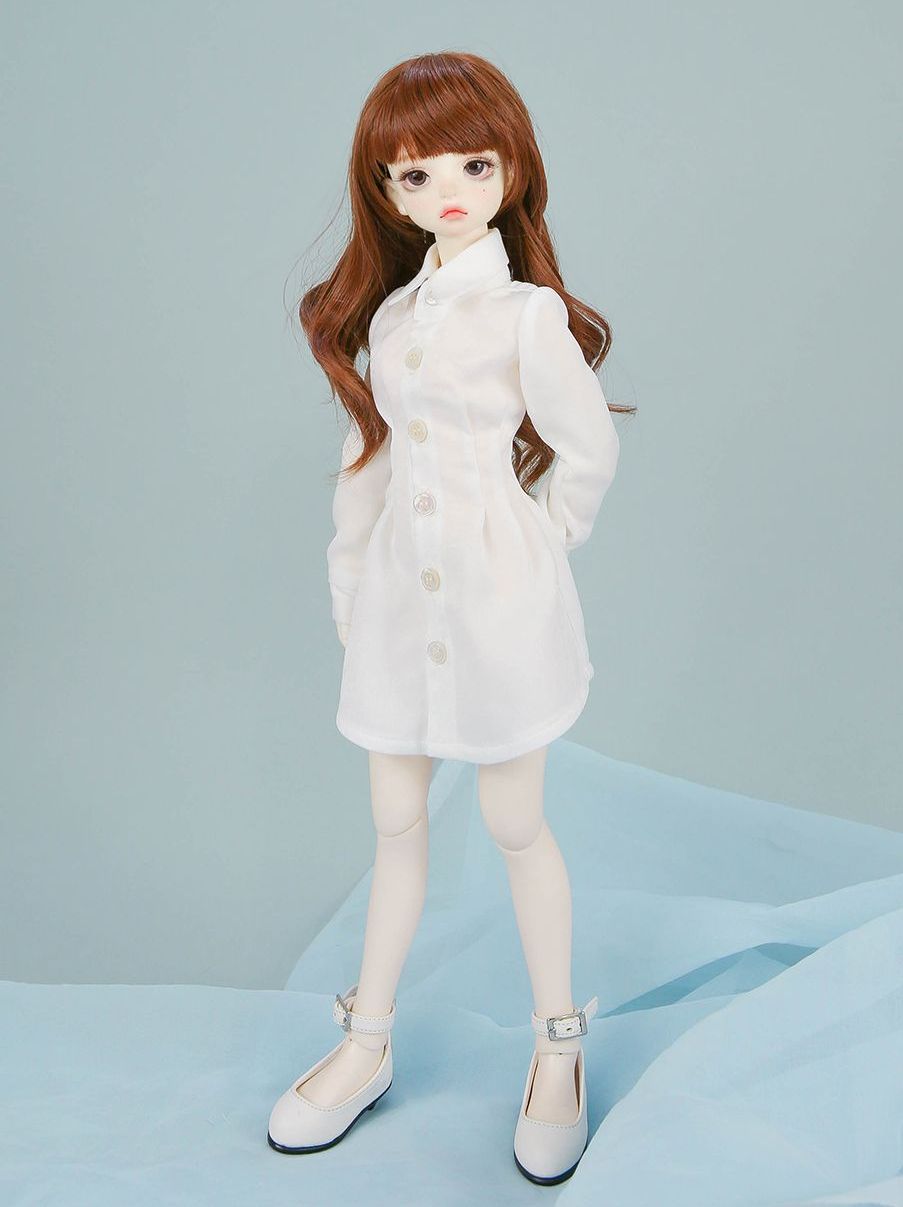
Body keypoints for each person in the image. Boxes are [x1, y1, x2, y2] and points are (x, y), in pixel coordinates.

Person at [268, 49, 633, 1185]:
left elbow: (587, 447)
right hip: (395, 598)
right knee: (394, 820)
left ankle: (558, 1045)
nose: (447, 191)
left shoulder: (525, 315)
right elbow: (367, 463)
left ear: (511, 167)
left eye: (473, 164)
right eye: (414, 174)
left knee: (516, 821)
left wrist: (539, 542)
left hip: (498, 603)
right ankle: (366, 1037)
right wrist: (348, 581)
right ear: (387, 191)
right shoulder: (390, 320)